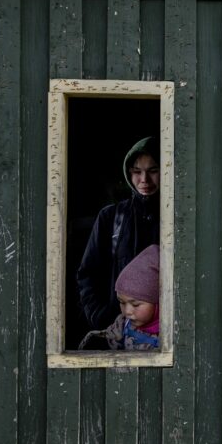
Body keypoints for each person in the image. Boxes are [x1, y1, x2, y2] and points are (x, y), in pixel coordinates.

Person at [77, 136, 160, 330]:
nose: (144, 179)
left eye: (153, 171)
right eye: (136, 172)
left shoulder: (180, 219)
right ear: (128, 174)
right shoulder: (111, 217)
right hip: (118, 331)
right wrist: (100, 316)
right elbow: (87, 273)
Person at [79, 244, 160, 350]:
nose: (127, 311)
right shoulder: (123, 324)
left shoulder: (172, 333)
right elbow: (108, 338)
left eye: (135, 304)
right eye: (122, 302)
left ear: (158, 303)